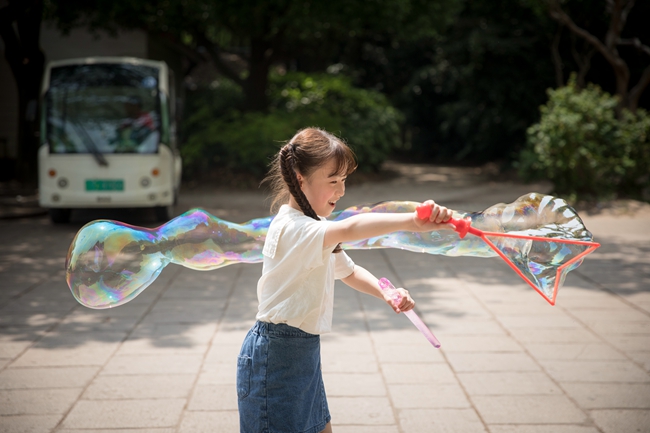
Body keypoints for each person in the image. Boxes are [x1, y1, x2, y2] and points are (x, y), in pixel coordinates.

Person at [237, 127, 453, 433]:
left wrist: (387, 294)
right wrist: (413, 221)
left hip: (301, 351)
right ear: (300, 177)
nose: (341, 192)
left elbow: (348, 271)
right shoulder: (295, 229)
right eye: (333, 181)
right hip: (277, 356)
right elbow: (351, 228)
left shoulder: (314, 226)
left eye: (344, 181)